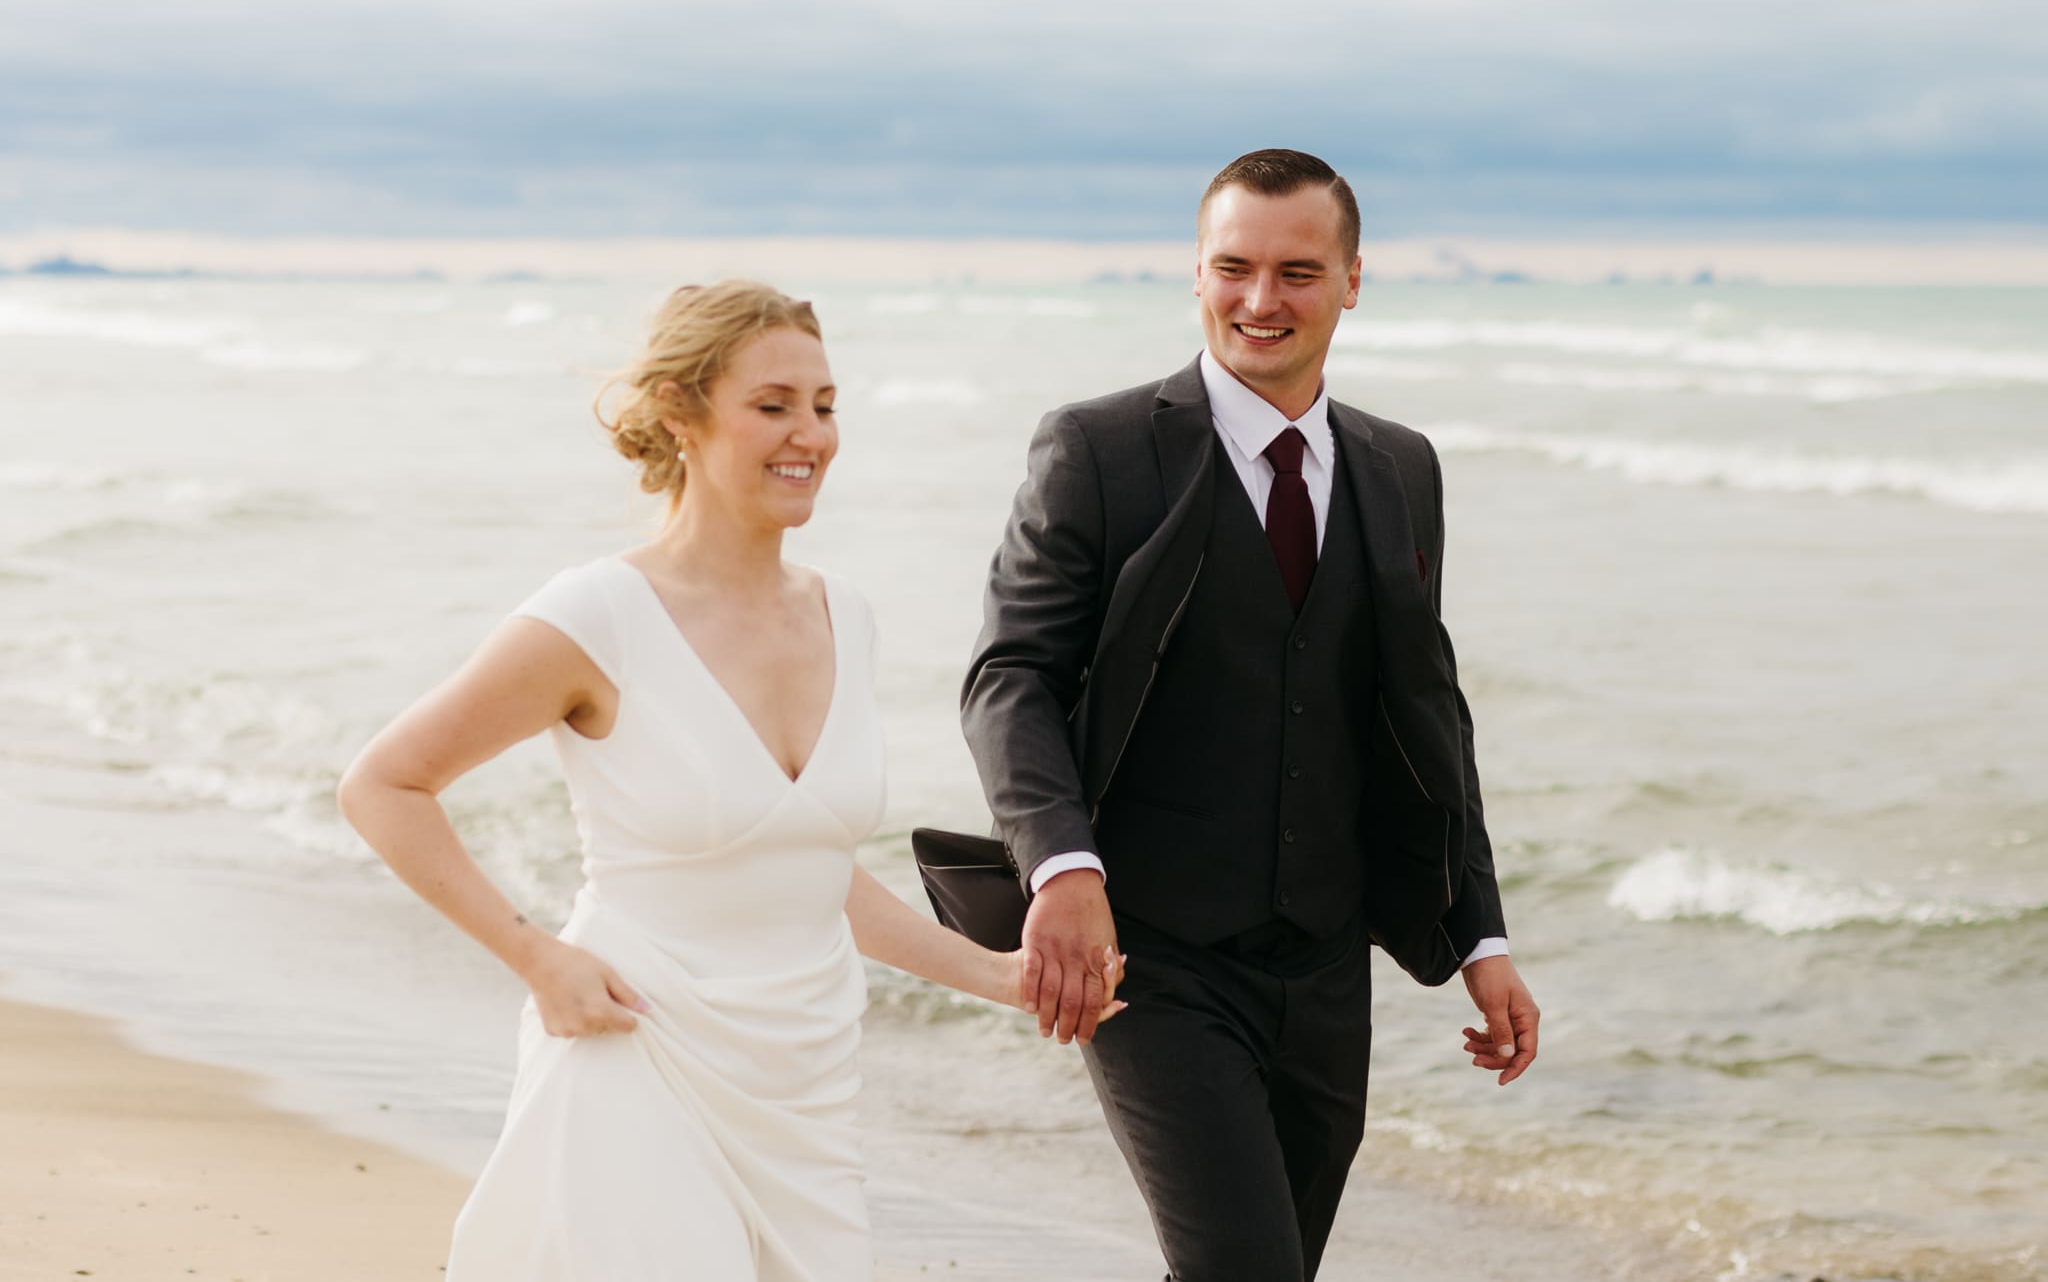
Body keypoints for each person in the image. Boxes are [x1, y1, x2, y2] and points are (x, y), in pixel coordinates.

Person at [337, 279, 1120, 1282]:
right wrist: (537, 959)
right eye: (772, 404)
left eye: (824, 404)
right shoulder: (596, 616)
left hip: (803, 1085)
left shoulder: (847, 617)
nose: (810, 434)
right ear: (680, 412)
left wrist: (998, 978)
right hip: (636, 1047)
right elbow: (384, 785)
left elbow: (807, 872)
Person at [961, 149, 1540, 1280]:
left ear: (1352, 281)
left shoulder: (1399, 468)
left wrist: (1479, 936)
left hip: (1326, 964)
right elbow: (1009, 676)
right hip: (1150, 955)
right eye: (1233, 268)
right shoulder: (1098, 450)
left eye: (1296, 272)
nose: (1260, 301)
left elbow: (1428, 715)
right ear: (1196, 274)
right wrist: (1062, 868)